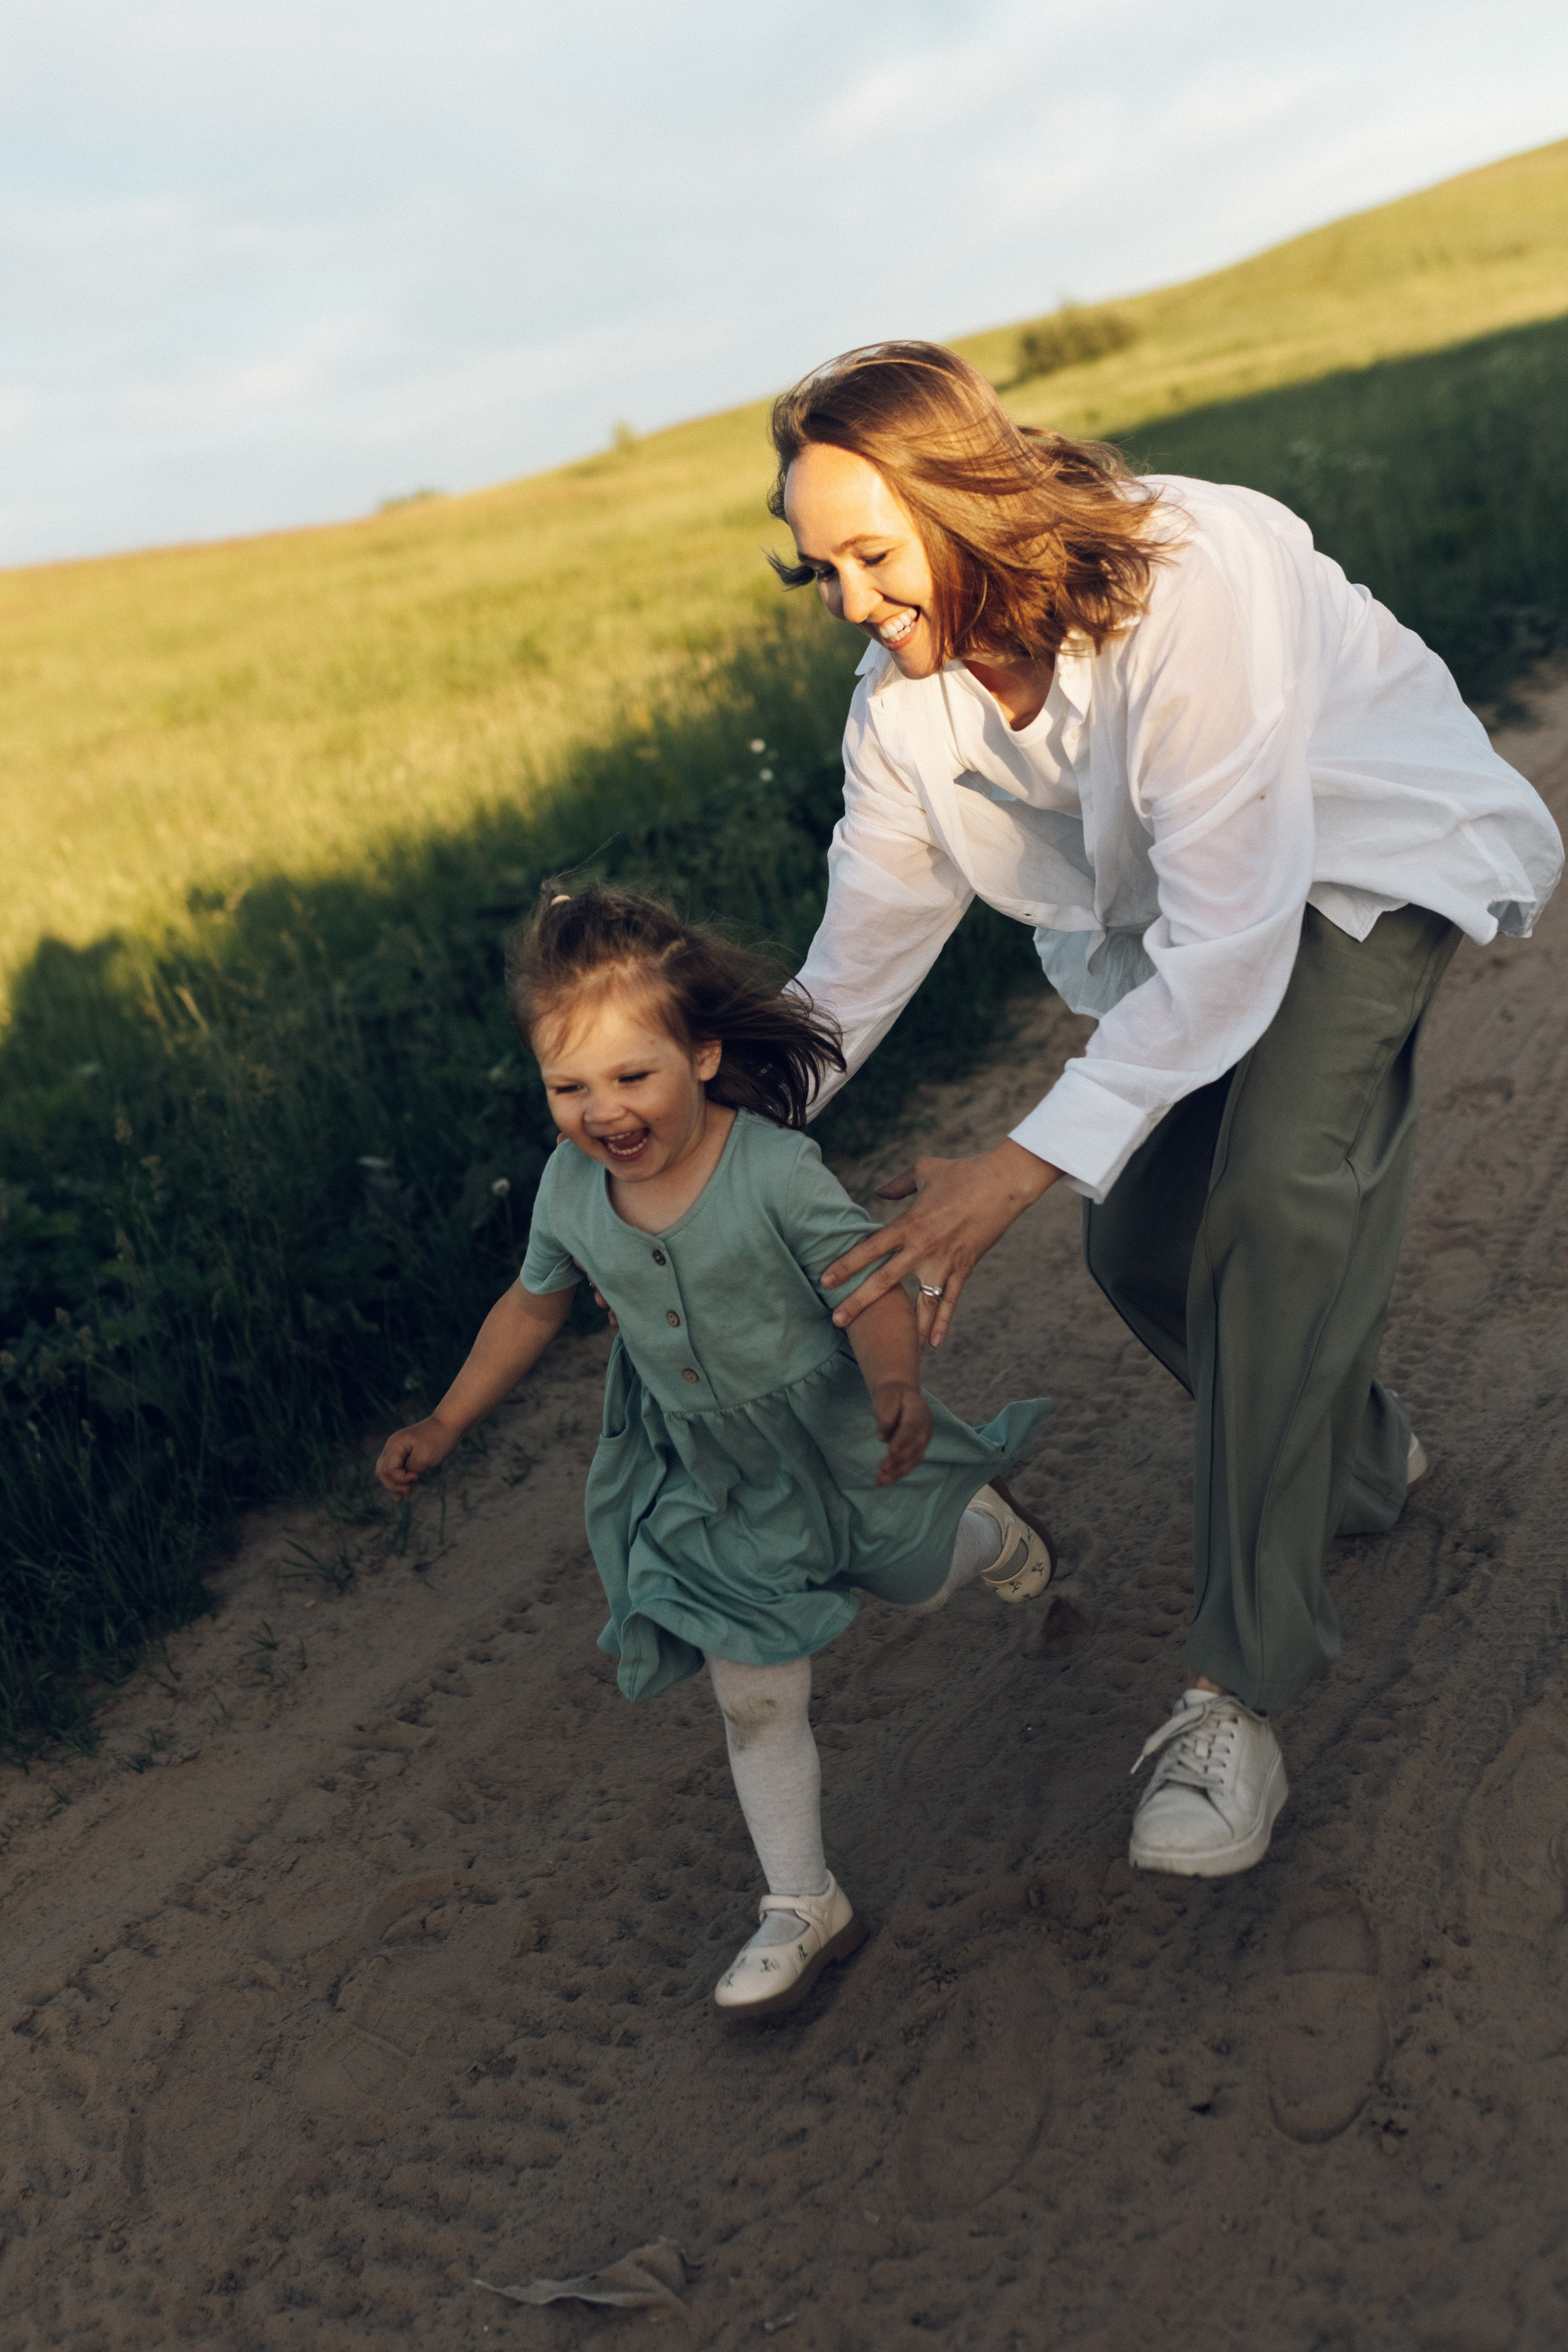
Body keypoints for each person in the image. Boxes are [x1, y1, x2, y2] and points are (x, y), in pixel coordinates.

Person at [771, 339, 1562, 1880]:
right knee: (1137, 1249)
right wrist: (706, 1122)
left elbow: (1230, 944)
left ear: (966, 498)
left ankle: (1236, 1694)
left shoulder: (1181, 581)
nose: (852, 606)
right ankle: (1355, 1455)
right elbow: (850, 969)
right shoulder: (899, 709)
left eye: (873, 556)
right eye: (816, 573)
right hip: (1202, 933)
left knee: (1271, 1206)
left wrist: (1003, 1171)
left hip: (1352, 866)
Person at [374, 884, 1052, 2018]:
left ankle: (984, 1528)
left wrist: (895, 1384)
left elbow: (871, 1284)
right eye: (569, 1087)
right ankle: (802, 1902)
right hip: (708, 1479)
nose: (605, 1112)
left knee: (921, 1579)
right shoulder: (570, 1191)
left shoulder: (773, 1170)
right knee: (754, 1692)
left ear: (701, 1055)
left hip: (835, 1440)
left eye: (632, 1077)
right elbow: (532, 1307)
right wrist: (446, 1421)